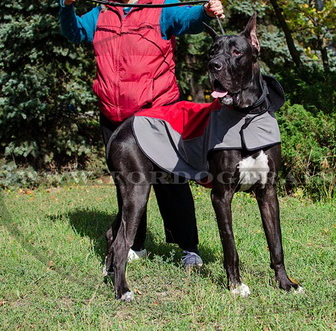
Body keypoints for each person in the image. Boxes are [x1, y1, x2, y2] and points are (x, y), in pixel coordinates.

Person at [59, 0, 224, 268]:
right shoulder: (102, 12)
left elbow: (187, 20)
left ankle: (188, 248)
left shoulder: (160, 7)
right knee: (127, 183)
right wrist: (65, 7)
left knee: (171, 180)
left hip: (157, 112)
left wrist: (204, 11)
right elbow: (74, 32)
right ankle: (135, 244)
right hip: (114, 116)